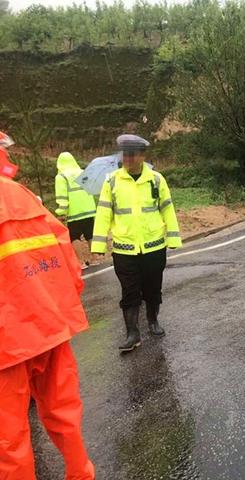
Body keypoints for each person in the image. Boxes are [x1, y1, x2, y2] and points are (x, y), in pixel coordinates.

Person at [0, 140, 95, 480]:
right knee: (64, 414)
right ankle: (81, 475)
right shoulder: (21, 194)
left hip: (8, 343)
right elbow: (68, 260)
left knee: (8, 439)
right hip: (51, 326)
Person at [92, 134, 182, 352]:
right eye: (125, 155)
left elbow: (167, 209)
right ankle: (132, 333)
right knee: (129, 291)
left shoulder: (156, 180)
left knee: (153, 288)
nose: (128, 159)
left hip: (153, 246)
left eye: (133, 155)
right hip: (124, 248)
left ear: (142, 156)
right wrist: (98, 243)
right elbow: (103, 213)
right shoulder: (112, 181)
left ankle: (152, 320)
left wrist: (173, 238)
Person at [55, 152, 98, 268]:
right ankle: (95, 258)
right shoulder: (83, 173)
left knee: (74, 236)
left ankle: (81, 262)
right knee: (90, 234)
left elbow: (62, 197)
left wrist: (61, 212)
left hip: (74, 212)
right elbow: (91, 190)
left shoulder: (61, 177)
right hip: (89, 210)